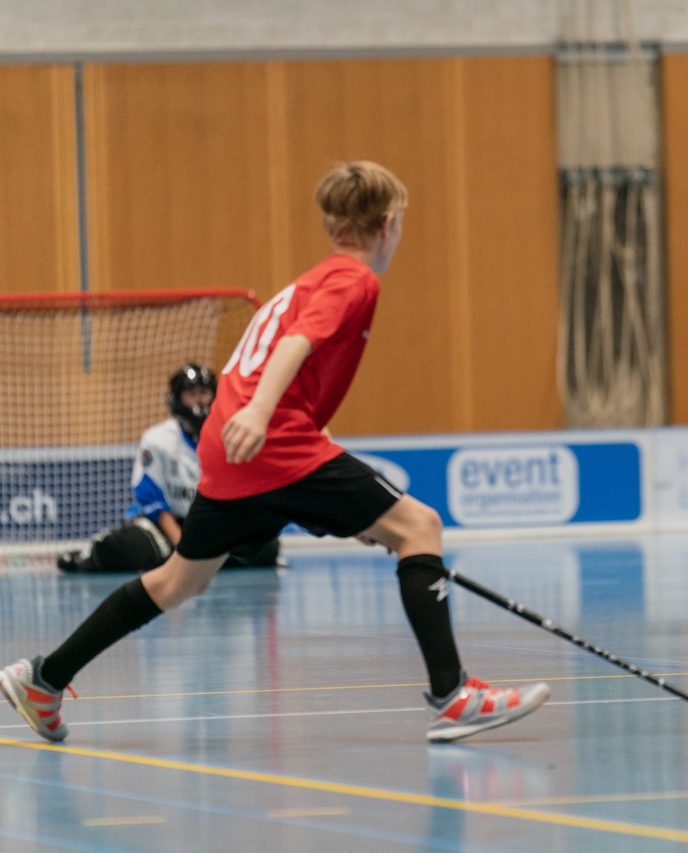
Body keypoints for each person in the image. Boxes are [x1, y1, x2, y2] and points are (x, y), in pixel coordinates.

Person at [1, 160, 549, 744]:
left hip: (234, 444)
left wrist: (357, 510)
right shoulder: (354, 279)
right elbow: (296, 344)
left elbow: (287, 369)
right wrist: (262, 413)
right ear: (388, 224)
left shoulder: (310, 281)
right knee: (420, 527)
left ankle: (44, 678)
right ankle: (453, 695)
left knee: (178, 580)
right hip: (269, 439)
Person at [55, 363, 281, 574]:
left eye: (204, 393)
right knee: (139, 550)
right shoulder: (157, 440)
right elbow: (152, 501)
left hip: (207, 524)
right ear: (178, 399)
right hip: (163, 527)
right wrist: (184, 548)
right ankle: (88, 555)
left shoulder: (230, 435)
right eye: (191, 394)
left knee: (266, 546)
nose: (199, 401)